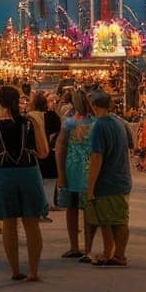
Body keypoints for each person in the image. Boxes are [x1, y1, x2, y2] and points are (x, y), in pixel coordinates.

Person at [0, 84, 49, 282]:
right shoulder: (30, 123)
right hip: (28, 173)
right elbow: (44, 152)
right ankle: (34, 271)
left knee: (9, 224)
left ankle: (15, 270)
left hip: (4, 175)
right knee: (31, 224)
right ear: (18, 101)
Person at [84, 92, 132, 267]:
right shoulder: (119, 122)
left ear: (95, 106)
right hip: (123, 178)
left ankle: (113, 254)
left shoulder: (99, 126)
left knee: (106, 220)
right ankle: (114, 253)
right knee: (120, 219)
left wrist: (90, 187)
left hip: (107, 180)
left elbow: (97, 158)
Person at [56, 86, 97, 260]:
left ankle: (74, 246)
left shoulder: (69, 123)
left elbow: (60, 148)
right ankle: (88, 248)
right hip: (89, 171)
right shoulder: (95, 123)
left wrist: (60, 174)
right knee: (89, 211)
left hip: (71, 170)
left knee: (71, 210)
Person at [33, 91, 61, 219]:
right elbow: (54, 135)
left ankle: (39, 206)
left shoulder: (31, 116)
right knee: (50, 179)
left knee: (38, 180)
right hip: (48, 151)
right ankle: (49, 203)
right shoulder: (52, 116)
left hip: (35, 152)